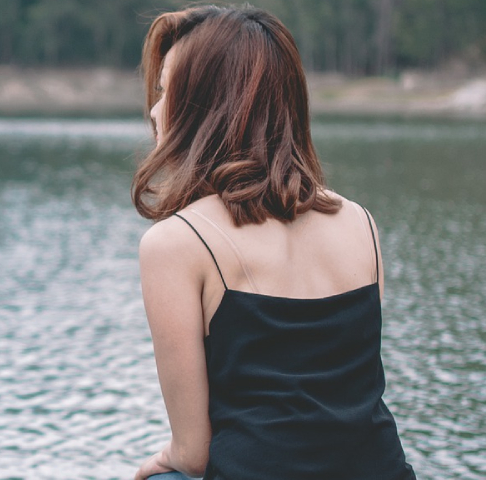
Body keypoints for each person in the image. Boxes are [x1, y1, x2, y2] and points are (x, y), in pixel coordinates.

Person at [129, 5, 415, 480]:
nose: (154, 111)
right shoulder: (360, 222)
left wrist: (160, 464)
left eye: (164, 91)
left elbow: (193, 453)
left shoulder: (175, 244)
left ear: (207, 103)